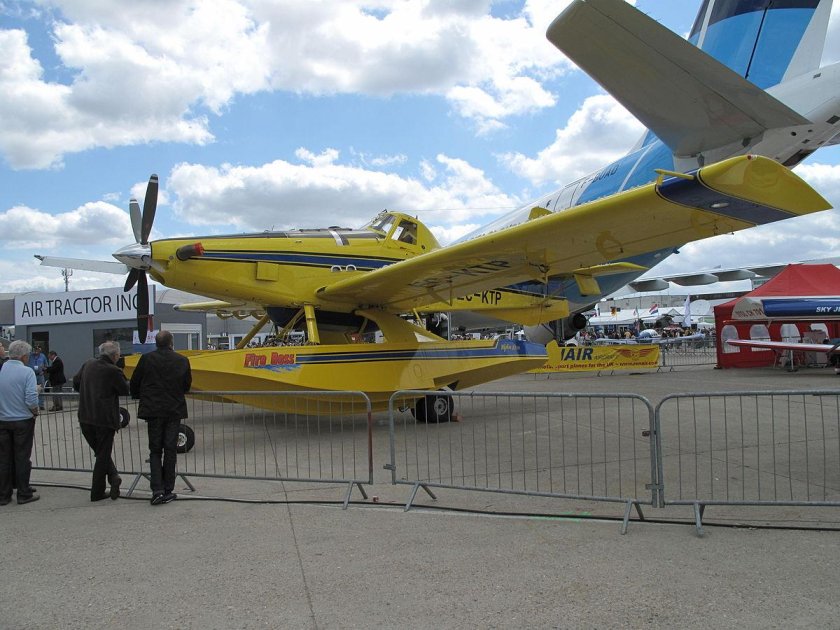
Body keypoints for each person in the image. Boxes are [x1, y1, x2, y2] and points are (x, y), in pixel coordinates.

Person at [130, 330, 191, 505]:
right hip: (173, 410)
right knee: (170, 450)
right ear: (171, 343)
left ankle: (156, 490)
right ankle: (168, 489)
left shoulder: (147, 359)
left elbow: (135, 382)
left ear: (156, 343)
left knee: (155, 450)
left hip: (153, 410)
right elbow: (186, 384)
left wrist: (139, 396)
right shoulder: (181, 360)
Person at [73, 341, 129, 502]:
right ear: (116, 355)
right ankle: (97, 491)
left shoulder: (88, 364)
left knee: (100, 452)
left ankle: (113, 477)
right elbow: (124, 390)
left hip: (85, 416)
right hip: (104, 419)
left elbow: (77, 382)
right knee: (102, 455)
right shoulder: (113, 371)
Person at [0, 340, 40, 505]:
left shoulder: (2, 369)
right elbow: (30, 398)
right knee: (22, 457)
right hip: (22, 420)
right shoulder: (27, 372)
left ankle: (3, 494)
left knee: (4, 458)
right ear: (24, 356)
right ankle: (23, 492)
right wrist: (35, 411)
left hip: (3, 420)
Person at [29, 345, 48, 410]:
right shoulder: (30, 356)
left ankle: (41, 405)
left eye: (37, 350)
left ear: (40, 350)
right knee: (32, 389)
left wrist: (43, 371)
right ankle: (33, 405)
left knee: (41, 389)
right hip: (32, 375)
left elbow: (46, 366)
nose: (36, 351)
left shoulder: (43, 356)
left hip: (40, 375)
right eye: (35, 349)